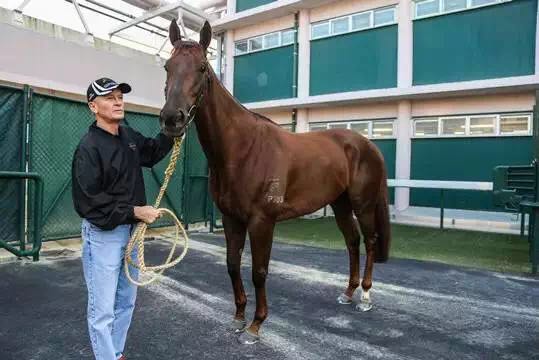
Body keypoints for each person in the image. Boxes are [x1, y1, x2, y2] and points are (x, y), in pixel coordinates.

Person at [72, 77, 173, 360]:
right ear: (93, 106)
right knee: (102, 309)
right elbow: (88, 202)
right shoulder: (88, 147)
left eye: (120, 96)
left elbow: (152, 152)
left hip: (131, 232)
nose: (117, 102)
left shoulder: (128, 136)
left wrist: (172, 130)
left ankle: (115, 353)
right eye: (109, 97)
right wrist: (134, 211)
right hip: (104, 234)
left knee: (126, 301)